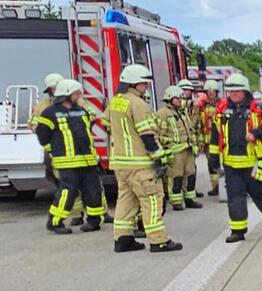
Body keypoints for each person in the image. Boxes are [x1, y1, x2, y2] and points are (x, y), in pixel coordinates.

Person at [107, 64, 182, 253]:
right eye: (144, 83)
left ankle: (122, 239)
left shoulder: (116, 101)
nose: (146, 87)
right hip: (140, 164)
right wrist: (159, 157)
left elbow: (105, 122)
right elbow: (147, 135)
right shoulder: (139, 104)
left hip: (120, 163)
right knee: (153, 199)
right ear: (135, 84)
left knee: (126, 200)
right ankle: (159, 241)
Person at [32, 79, 106, 234]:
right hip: (67, 162)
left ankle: (93, 221)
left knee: (93, 190)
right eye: (76, 93)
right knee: (68, 193)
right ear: (66, 95)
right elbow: (43, 136)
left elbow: (87, 133)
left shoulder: (81, 110)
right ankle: (55, 221)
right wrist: (55, 149)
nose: (79, 95)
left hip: (88, 160)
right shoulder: (49, 113)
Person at [218, 74, 262, 242]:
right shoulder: (223, 110)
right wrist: (213, 160)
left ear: (245, 91)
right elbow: (216, 135)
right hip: (231, 165)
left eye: (237, 91)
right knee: (235, 199)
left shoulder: (258, 109)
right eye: (231, 91)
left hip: (254, 165)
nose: (234, 94)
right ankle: (238, 231)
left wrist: (257, 133)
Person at [156, 85, 202, 210]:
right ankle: (176, 202)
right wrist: (168, 146)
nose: (180, 101)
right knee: (176, 176)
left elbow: (190, 129)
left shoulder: (183, 112)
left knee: (191, 174)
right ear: (170, 98)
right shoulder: (163, 113)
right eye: (178, 98)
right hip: (175, 151)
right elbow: (159, 134)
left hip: (188, 148)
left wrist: (194, 144)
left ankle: (190, 199)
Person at [201, 79, 225, 196]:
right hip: (207, 139)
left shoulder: (222, 105)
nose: (210, 93)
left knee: (222, 162)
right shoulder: (203, 106)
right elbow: (199, 123)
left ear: (216, 92)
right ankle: (215, 186)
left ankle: (225, 185)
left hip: (220, 139)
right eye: (208, 91)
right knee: (211, 164)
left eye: (212, 91)